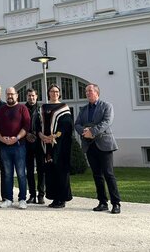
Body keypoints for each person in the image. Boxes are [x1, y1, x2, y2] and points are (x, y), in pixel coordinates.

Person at [75, 83, 122, 214]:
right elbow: (77, 124)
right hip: (90, 146)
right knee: (97, 175)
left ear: (97, 92)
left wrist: (93, 131)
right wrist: (83, 131)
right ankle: (102, 202)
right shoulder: (83, 109)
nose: (87, 93)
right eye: (86, 92)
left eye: (90, 91)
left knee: (108, 174)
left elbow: (107, 121)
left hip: (104, 145)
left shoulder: (106, 106)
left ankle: (116, 203)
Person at [36, 84, 73, 208]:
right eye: (52, 91)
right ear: (48, 93)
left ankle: (62, 199)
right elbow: (37, 124)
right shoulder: (43, 107)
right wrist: (40, 135)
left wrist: (54, 136)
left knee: (61, 171)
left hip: (59, 145)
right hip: (45, 145)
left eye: (57, 91)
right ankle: (54, 198)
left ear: (59, 93)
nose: (54, 93)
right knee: (50, 171)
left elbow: (66, 125)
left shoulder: (63, 107)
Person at [0, 86, 30, 209]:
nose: (10, 96)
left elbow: (26, 126)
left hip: (19, 146)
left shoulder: (22, 108)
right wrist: (1, 139)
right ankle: (8, 199)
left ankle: (22, 199)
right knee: (7, 174)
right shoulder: (1, 109)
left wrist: (17, 138)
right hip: (4, 146)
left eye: (12, 94)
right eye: (8, 94)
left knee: (21, 173)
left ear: (17, 95)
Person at [24, 88, 45, 204]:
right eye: (29, 96)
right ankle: (32, 195)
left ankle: (41, 195)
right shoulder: (22, 109)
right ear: (26, 97)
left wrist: (38, 134)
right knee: (30, 170)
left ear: (36, 96)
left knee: (41, 170)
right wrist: (26, 134)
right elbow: (19, 124)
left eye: (33, 96)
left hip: (39, 143)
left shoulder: (41, 109)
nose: (31, 98)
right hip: (27, 144)